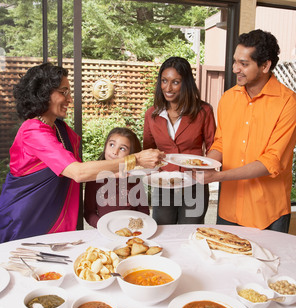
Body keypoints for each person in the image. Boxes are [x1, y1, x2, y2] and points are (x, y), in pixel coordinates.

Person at [0, 63, 164, 242]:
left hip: (54, 218)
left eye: (68, 92)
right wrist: (136, 159)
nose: (69, 99)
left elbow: (88, 168)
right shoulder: (33, 132)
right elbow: (78, 172)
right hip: (27, 218)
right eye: (63, 92)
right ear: (44, 93)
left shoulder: (60, 129)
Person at [201, 29, 296, 233]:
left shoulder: (289, 103)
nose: (235, 68)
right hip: (228, 209)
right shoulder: (228, 99)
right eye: (235, 61)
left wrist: (216, 177)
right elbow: (221, 143)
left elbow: (271, 161)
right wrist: (206, 165)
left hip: (267, 212)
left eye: (244, 64)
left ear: (265, 65)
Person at [143, 56, 216, 225]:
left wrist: (207, 171)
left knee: (189, 233)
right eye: (164, 81)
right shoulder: (152, 114)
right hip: (163, 184)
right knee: (163, 233)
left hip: (195, 185)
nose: (168, 88)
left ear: (186, 84)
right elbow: (148, 150)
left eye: (175, 82)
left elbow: (213, 145)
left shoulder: (203, 111)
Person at [84, 127, 150, 228]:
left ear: (130, 155)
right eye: (111, 145)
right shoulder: (94, 178)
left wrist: (137, 226)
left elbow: (144, 211)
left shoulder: (134, 177)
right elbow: (89, 213)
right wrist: (103, 226)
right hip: (105, 231)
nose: (115, 152)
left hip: (132, 231)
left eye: (122, 148)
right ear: (105, 146)